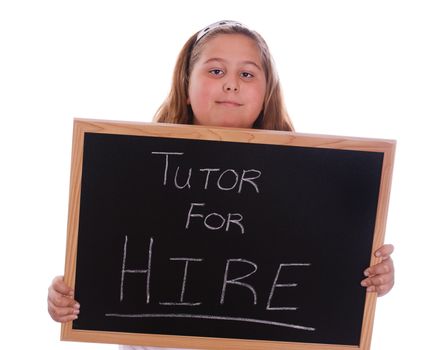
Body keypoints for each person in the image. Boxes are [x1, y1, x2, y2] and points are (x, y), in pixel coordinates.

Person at [47, 20, 395, 350]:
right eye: (216, 71)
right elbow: (103, 266)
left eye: (246, 73)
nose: (231, 84)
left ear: (265, 92)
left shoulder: (311, 181)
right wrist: (66, 299)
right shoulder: (129, 169)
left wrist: (372, 278)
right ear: (186, 86)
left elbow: (329, 273)